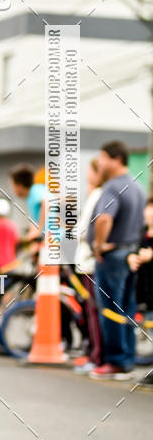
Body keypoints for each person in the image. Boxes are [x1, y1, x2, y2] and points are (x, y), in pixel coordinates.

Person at [88, 141, 145, 380]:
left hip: (113, 256)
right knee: (127, 309)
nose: (99, 163)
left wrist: (99, 245)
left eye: (102, 157)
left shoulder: (112, 187)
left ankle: (115, 362)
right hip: (131, 253)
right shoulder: (137, 186)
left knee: (110, 310)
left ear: (116, 159)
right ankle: (127, 358)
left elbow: (103, 219)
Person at [72, 158, 104, 373]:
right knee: (93, 311)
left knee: (93, 312)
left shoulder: (97, 195)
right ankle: (95, 355)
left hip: (90, 263)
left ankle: (96, 357)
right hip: (90, 262)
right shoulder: (97, 194)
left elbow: (84, 230)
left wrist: (72, 231)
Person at [127, 197, 153, 386]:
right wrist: (132, 257)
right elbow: (133, 249)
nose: (148, 213)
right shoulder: (143, 233)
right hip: (145, 290)